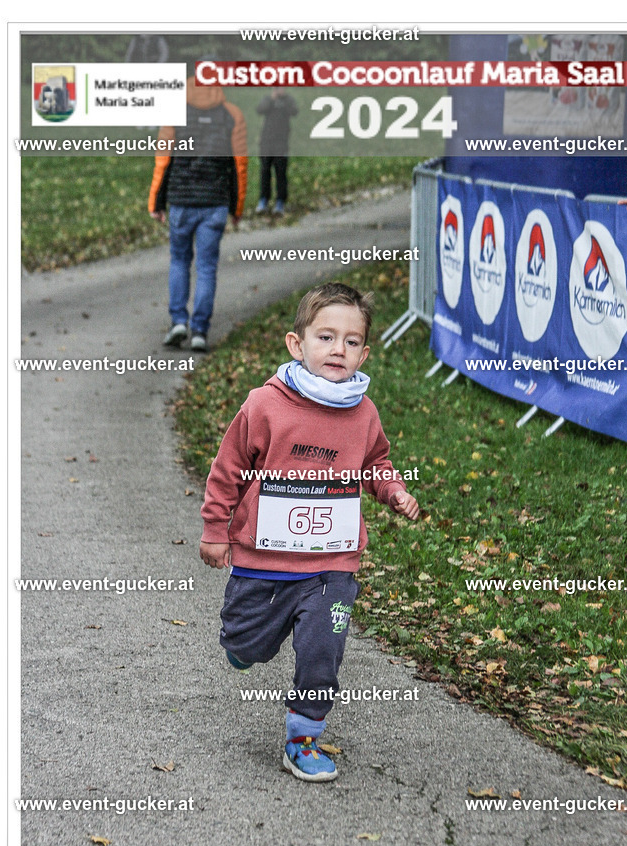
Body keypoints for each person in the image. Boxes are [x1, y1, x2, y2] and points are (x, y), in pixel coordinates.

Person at [199, 283, 419, 782]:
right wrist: (216, 528)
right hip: (264, 560)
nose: (338, 348)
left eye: (351, 340)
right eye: (325, 337)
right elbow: (228, 468)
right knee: (247, 645)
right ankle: (244, 641)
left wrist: (393, 491)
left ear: (365, 352)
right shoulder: (265, 405)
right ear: (297, 345)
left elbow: (376, 462)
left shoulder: (363, 413)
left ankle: (303, 737)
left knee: (323, 650)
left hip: (331, 564)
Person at [148, 74, 247, 352]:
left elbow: (163, 160)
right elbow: (240, 164)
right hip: (214, 204)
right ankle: (200, 330)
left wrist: (155, 202)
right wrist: (237, 206)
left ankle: (178, 321)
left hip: (181, 201)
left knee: (179, 261)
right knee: (206, 267)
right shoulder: (232, 115)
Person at [255, 88, 298, 215]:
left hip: (281, 143)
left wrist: (284, 100)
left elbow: (294, 112)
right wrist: (272, 99)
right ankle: (263, 200)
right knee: (265, 171)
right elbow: (260, 110)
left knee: (281, 172)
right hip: (266, 142)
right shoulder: (268, 99)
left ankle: (280, 201)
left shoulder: (289, 100)